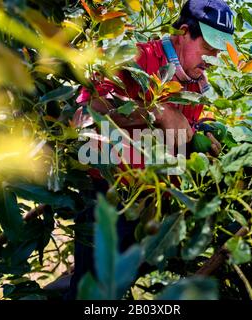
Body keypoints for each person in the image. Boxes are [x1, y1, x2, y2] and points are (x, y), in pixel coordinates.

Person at [65, 0, 236, 299]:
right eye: (209, 48)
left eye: (219, 51)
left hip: (150, 204)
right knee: (94, 294)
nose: (214, 58)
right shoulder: (135, 59)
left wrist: (203, 135)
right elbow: (85, 113)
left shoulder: (194, 79)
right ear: (184, 32)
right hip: (109, 198)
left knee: (122, 280)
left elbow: (187, 127)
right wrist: (155, 112)